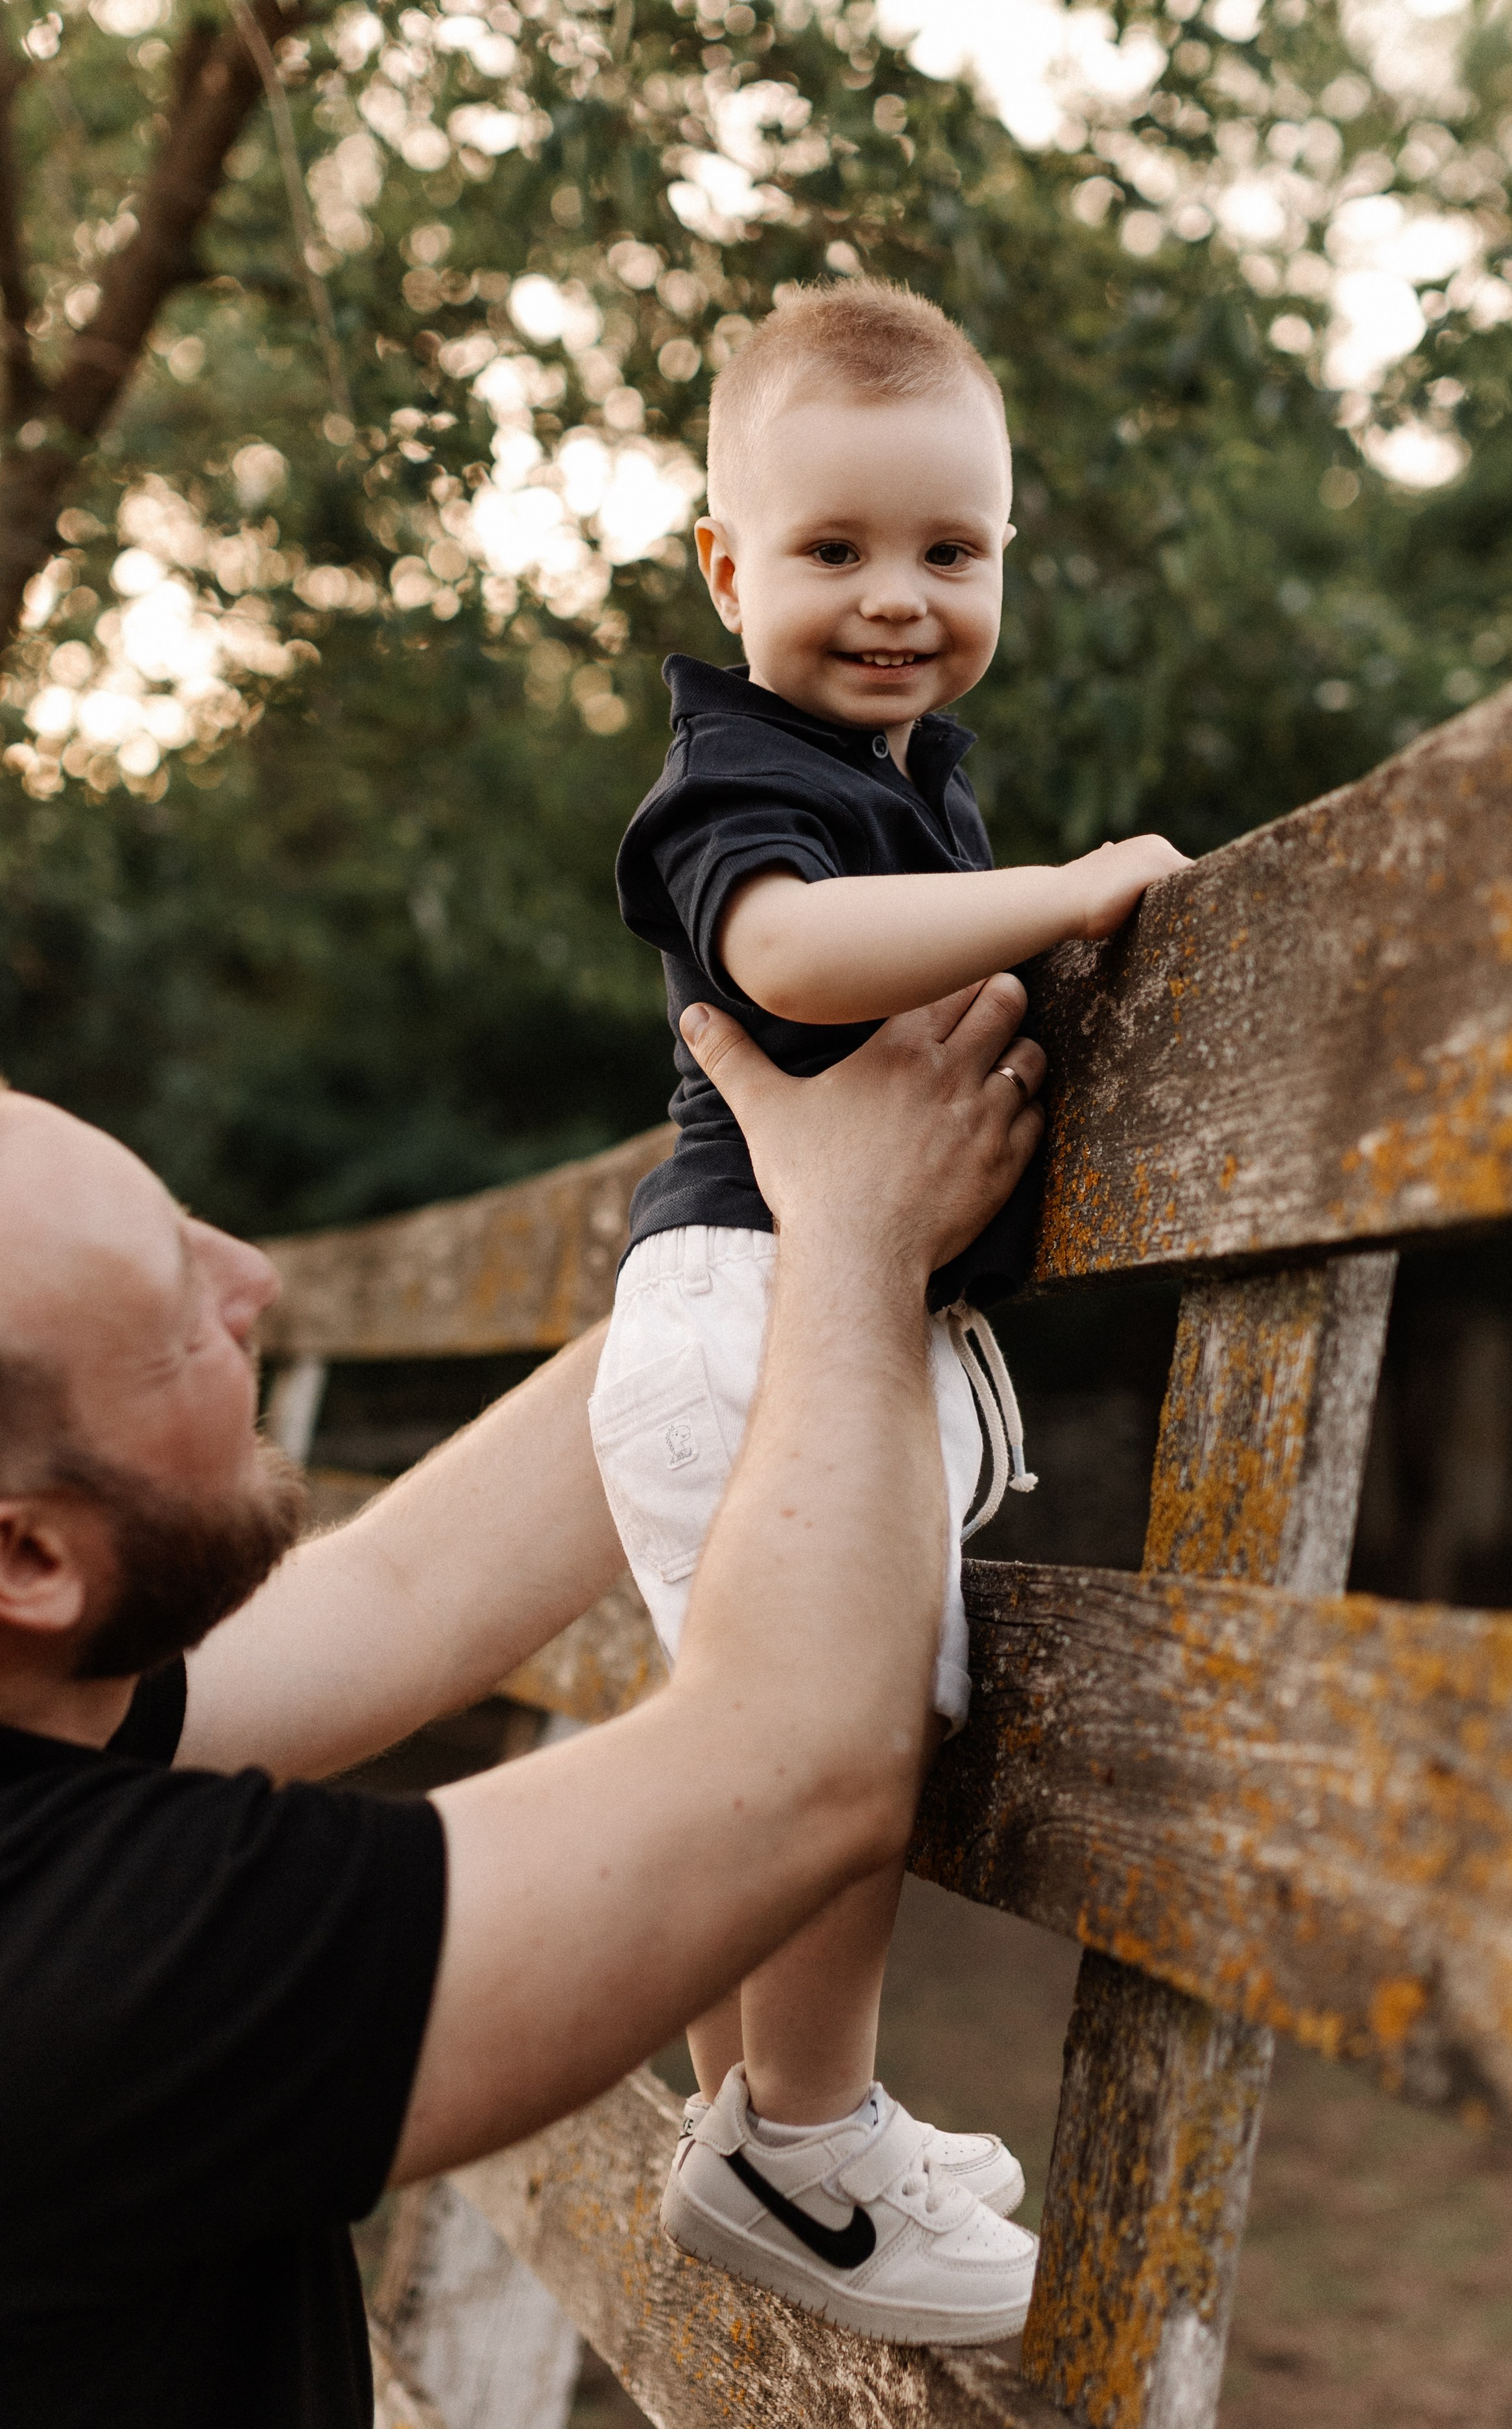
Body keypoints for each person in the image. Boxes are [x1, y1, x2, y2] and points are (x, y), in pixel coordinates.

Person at [0, 975, 1043, 2427]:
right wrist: (858, 1246)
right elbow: (797, 1763)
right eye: (177, 1316)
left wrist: (747, 1230)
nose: (253, 1276)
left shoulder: (30, 1702)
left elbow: (404, 1593)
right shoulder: (67, 1966)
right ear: (30, 1555)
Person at [594, 277, 1188, 2339]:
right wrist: (1071, 893)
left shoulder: (896, 774)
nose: (896, 599)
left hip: (769, 1311)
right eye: (833, 550)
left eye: (951, 551)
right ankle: (810, 2140)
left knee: (766, 1740)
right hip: (772, 1308)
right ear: (724, 565)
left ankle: (749, 2136)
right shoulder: (738, 777)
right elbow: (793, 951)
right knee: (838, 1737)